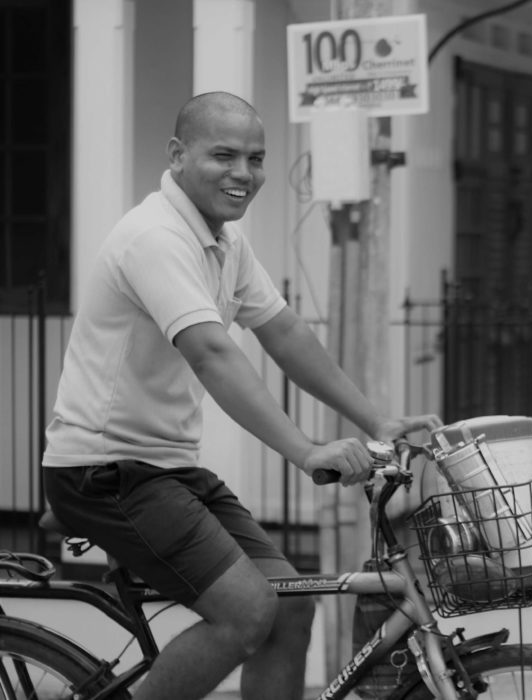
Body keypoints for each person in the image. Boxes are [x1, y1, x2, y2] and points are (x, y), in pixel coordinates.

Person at [41, 91, 442, 700]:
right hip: (106, 473)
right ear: (177, 155)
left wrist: (377, 420)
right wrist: (306, 451)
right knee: (247, 612)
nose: (244, 174)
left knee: (289, 606)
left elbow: (283, 332)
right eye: (223, 155)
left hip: (169, 470)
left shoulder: (225, 242)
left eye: (255, 159)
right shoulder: (155, 237)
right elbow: (212, 353)